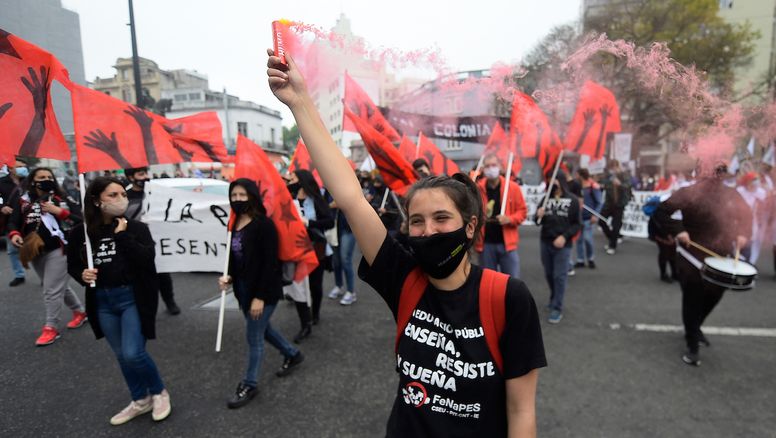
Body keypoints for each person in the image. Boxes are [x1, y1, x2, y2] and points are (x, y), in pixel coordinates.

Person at [268, 49, 546, 437]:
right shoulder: (403, 278)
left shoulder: (508, 297)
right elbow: (349, 196)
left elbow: (521, 412)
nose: (428, 231)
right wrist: (299, 102)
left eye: (441, 218)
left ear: (469, 228)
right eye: (417, 221)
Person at [66, 176, 171, 424]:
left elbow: (147, 261)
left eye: (122, 194)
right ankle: (140, 400)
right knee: (122, 355)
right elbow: (72, 265)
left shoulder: (136, 228)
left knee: (134, 353)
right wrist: (82, 274)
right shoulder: (80, 232)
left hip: (132, 298)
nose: (120, 200)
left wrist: (123, 237)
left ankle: (159, 392)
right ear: (96, 200)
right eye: (112, 195)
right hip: (102, 301)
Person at [653, 163, 751, 366]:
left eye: (719, 173)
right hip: (692, 253)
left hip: (721, 254)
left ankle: (695, 326)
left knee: (715, 294)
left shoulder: (731, 194)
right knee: (692, 297)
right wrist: (679, 229)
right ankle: (692, 344)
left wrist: (743, 234)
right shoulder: (688, 193)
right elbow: (661, 212)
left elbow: (747, 216)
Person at [219, 179, 304, 409]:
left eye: (242, 195)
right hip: (242, 289)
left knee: (254, 337)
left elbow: (269, 265)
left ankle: (250, 383)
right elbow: (234, 256)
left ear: (252, 196)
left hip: (263, 291)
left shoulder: (264, 225)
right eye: (233, 195)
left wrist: (260, 297)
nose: (237, 199)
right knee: (263, 329)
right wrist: (227, 275)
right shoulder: (234, 222)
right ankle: (292, 354)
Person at [8, 167, 87, 346]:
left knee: (51, 290)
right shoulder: (23, 200)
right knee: (57, 286)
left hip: (59, 249)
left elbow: (81, 219)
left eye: (49, 177)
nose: (46, 179)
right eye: (41, 177)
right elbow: (14, 220)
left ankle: (51, 328)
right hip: (35, 250)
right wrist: (14, 234)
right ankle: (80, 312)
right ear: (32, 181)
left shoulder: (62, 198)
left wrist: (59, 212)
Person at [124, 167, 181, 315]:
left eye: (146, 173)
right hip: (137, 243)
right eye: (141, 174)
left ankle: (170, 302)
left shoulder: (156, 193)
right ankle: (147, 307)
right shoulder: (126, 197)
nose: (145, 177)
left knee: (163, 275)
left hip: (158, 241)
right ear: (131, 177)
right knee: (142, 278)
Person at [287, 169, 334, 341]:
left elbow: (329, 222)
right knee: (298, 284)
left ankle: (315, 314)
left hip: (316, 248)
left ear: (303, 180)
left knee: (315, 284)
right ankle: (305, 320)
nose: (291, 180)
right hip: (295, 249)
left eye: (294, 178)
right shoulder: (288, 198)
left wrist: (309, 222)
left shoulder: (317, 200)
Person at [535, 177, 581, 324]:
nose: (553, 184)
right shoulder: (545, 199)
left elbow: (577, 224)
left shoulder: (572, 200)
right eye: (550, 180)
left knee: (559, 276)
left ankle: (557, 307)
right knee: (549, 274)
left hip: (563, 245)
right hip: (545, 242)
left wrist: (564, 237)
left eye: (556, 180)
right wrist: (538, 215)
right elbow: (537, 222)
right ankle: (554, 296)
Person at [475, 153, 527, 278]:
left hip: (507, 244)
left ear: (500, 167)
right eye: (487, 166)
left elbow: (522, 211)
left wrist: (509, 219)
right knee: (487, 282)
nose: (490, 168)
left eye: (493, 165)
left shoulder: (512, 188)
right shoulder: (477, 189)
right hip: (485, 244)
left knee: (512, 282)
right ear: (483, 169)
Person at [1, 158, 28, 286]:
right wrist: (2, 208)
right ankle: (19, 274)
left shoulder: (30, 182)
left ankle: (45, 273)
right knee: (12, 250)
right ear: (10, 168)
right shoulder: (2, 182)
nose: (23, 168)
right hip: (11, 220)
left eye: (24, 166)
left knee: (36, 247)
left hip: (31, 219)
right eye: (19, 166)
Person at [599, 159, 631, 255]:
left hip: (619, 204)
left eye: (615, 167)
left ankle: (612, 245)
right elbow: (603, 184)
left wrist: (620, 184)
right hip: (609, 204)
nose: (613, 169)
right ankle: (612, 238)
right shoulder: (608, 176)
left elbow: (628, 186)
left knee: (616, 225)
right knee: (601, 221)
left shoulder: (623, 175)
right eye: (611, 167)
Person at [735, 171, 767, 264]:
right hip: (738, 224)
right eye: (753, 180)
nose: (755, 183)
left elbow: (764, 209)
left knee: (748, 248)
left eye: (756, 180)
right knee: (736, 248)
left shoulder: (761, 193)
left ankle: (747, 266)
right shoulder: (739, 191)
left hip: (753, 226)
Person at [574, 168, 602, 269]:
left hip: (588, 217)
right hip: (578, 217)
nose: (575, 176)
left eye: (577, 174)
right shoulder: (576, 186)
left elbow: (599, 202)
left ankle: (591, 258)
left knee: (587, 239)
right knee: (579, 239)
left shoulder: (592, 186)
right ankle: (580, 259)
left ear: (581, 175)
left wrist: (595, 215)